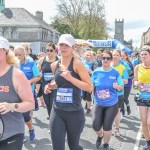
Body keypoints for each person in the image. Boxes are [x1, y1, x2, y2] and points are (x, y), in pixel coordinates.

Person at [45, 34, 93, 150]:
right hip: (57, 111)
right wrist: (50, 86)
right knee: (57, 147)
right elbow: (58, 82)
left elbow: (89, 87)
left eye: (67, 45)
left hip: (74, 112)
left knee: (73, 146)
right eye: (61, 44)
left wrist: (71, 78)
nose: (64, 47)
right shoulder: (54, 65)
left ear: (72, 47)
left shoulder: (77, 64)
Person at [0, 37, 34, 149]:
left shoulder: (16, 75)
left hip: (11, 134)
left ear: (6, 51)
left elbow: (30, 103)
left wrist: (11, 106)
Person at [91, 50, 123, 149]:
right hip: (98, 103)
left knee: (107, 126)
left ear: (111, 60)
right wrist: (91, 101)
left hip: (111, 104)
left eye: (108, 58)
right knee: (95, 125)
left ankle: (106, 144)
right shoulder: (96, 72)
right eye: (103, 58)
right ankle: (100, 135)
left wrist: (117, 86)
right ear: (101, 59)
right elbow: (91, 86)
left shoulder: (115, 72)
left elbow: (121, 86)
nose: (105, 60)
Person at [14, 46, 41, 141]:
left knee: (25, 115)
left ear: (24, 54)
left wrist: (29, 82)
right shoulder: (12, 64)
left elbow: (38, 77)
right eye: (15, 55)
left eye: (19, 55)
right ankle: (21, 134)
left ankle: (31, 129)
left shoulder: (30, 64)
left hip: (27, 93)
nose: (17, 57)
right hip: (15, 93)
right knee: (17, 114)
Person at [134, 46, 150, 150]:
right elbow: (134, 81)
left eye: (146, 54)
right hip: (142, 98)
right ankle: (148, 142)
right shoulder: (137, 67)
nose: (143, 56)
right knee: (144, 122)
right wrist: (137, 83)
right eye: (142, 54)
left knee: (149, 122)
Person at [38, 43, 58, 119]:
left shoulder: (58, 60)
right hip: (45, 85)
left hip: (55, 86)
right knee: (48, 104)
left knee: (53, 104)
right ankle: (51, 120)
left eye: (51, 50)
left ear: (54, 51)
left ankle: (54, 120)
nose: (48, 52)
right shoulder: (42, 60)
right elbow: (37, 72)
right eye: (47, 50)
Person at [121, 51, 133, 115]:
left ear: (126, 56)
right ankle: (122, 112)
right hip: (120, 84)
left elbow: (131, 75)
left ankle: (128, 105)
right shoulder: (119, 64)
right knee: (120, 98)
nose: (122, 57)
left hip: (127, 84)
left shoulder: (128, 64)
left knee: (125, 98)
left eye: (123, 56)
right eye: (121, 56)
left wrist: (125, 78)